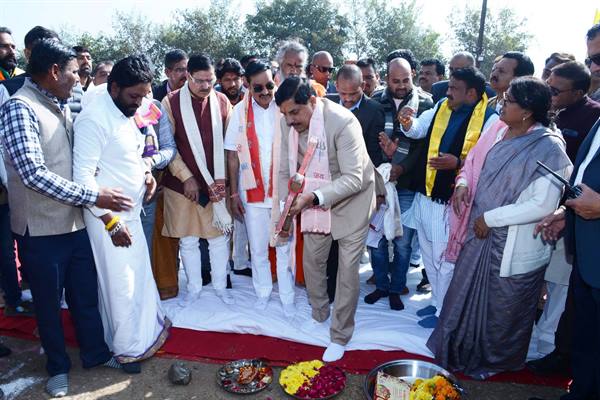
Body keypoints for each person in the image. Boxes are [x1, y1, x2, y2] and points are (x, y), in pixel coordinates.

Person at [0, 39, 134, 398]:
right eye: (74, 71)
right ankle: (57, 367)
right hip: (40, 230)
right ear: (55, 71)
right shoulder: (19, 107)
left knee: (84, 296)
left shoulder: (62, 104)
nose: (79, 77)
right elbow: (33, 174)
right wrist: (96, 196)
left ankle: (96, 354)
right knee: (47, 304)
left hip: (74, 225)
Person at [428, 76, 571, 380]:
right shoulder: (497, 129)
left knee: (503, 307)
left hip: (512, 243)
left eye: (508, 101)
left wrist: (490, 219)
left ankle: (495, 360)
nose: (501, 105)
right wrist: (464, 183)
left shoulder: (549, 147)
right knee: (462, 297)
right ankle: (459, 350)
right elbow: (471, 163)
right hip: (478, 234)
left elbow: (542, 205)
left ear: (528, 111)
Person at [73, 54, 171, 374]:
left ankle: (141, 338)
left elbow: (141, 146)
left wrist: (146, 173)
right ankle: (127, 350)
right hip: (106, 219)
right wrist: (112, 222)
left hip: (130, 211)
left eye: (145, 95)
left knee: (138, 278)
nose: (141, 102)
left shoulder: (132, 106)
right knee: (121, 286)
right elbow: (82, 179)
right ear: (114, 88)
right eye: (135, 96)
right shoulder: (93, 119)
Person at [275, 77, 378, 362]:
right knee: (312, 260)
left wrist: (313, 198)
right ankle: (319, 312)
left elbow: (354, 178)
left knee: (346, 271)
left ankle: (340, 334)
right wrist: (285, 206)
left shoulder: (343, 122)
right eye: (284, 114)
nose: (289, 120)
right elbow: (286, 171)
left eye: (294, 112)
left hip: (352, 202)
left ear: (312, 101)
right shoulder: (290, 126)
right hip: (314, 199)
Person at [400, 67, 498, 328]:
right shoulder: (442, 105)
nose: (448, 92)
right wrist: (407, 122)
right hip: (425, 194)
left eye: (454, 88)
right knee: (430, 254)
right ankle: (436, 303)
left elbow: (486, 161)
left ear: (472, 93)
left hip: (451, 202)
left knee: (445, 259)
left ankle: (445, 312)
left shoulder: (490, 119)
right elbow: (418, 130)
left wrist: (457, 163)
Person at [534, 24, 600, 400]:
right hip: (580, 235)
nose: (595, 68)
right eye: (591, 58)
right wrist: (567, 210)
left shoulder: (592, 113)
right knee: (584, 336)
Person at [160, 53, 234, 306]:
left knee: (218, 237)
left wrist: (225, 180)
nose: (205, 86)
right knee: (188, 239)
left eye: (209, 80)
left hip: (216, 182)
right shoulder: (169, 102)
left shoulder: (222, 101)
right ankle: (193, 289)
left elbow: (230, 145)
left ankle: (220, 287)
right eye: (200, 80)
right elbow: (167, 146)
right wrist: (187, 177)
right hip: (182, 186)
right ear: (188, 77)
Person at [225, 60, 296, 314]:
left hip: (283, 192)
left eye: (269, 85)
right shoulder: (238, 113)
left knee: (284, 247)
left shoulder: (287, 107)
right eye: (259, 88)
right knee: (257, 248)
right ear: (248, 86)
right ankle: (263, 292)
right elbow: (232, 154)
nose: (266, 92)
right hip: (252, 191)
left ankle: (287, 298)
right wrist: (234, 193)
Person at [370, 57, 434, 303]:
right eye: (395, 80)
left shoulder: (427, 103)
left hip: (406, 184)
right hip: (378, 181)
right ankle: (382, 286)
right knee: (376, 239)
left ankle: (397, 289)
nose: (400, 85)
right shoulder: (375, 100)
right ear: (386, 78)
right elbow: (368, 139)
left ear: (413, 75)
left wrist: (401, 167)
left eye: (406, 80)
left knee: (403, 242)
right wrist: (385, 163)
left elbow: (422, 147)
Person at [325, 64, 385, 302]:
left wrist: (375, 192)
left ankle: (346, 294)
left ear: (364, 86)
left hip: (359, 186)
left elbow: (374, 154)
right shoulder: (326, 105)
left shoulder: (375, 110)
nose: (348, 100)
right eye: (343, 94)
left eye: (354, 94)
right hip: (330, 186)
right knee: (329, 241)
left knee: (351, 244)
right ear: (336, 86)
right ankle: (330, 291)